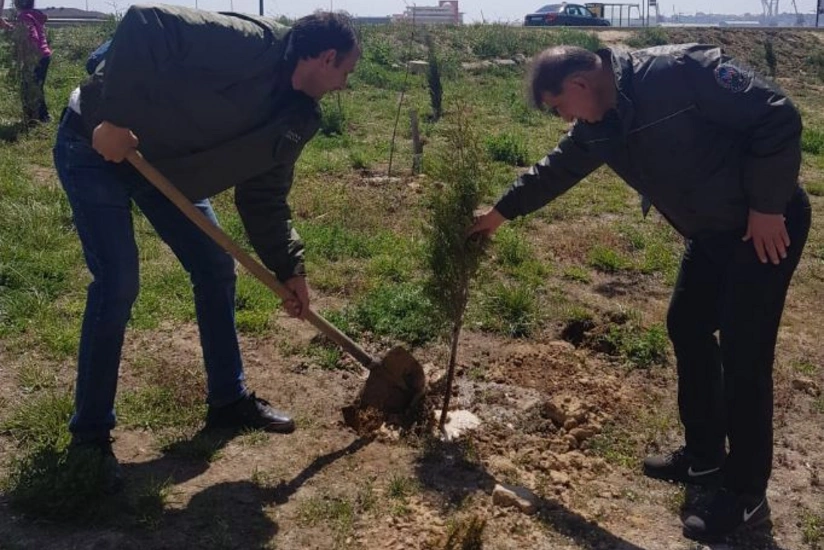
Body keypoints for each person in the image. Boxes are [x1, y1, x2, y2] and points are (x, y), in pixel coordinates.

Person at [468, 44, 811, 542]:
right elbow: (558, 168)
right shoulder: (600, 123)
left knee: (745, 355)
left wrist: (766, 206)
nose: (563, 118)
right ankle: (704, 457)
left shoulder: (681, 71)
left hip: (763, 227)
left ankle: (745, 498)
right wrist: (499, 213)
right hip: (712, 234)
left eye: (561, 106)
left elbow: (777, 115)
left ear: (581, 84)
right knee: (687, 324)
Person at [53, 4, 359, 491]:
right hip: (96, 144)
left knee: (216, 269)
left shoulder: (299, 117)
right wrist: (114, 118)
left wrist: (289, 267)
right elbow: (145, 21)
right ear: (325, 57)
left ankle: (228, 402)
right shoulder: (248, 42)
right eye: (346, 70)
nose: (346, 84)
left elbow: (264, 197)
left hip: (167, 171)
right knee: (118, 282)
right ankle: (89, 439)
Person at [1, 0, 52, 124]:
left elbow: (29, 35)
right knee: (35, 87)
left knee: (29, 88)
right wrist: (6, 26)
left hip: (36, 57)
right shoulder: (33, 15)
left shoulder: (23, 16)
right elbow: (24, 32)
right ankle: (39, 117)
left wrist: (29, 57)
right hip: (44, 56)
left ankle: (36, 118)